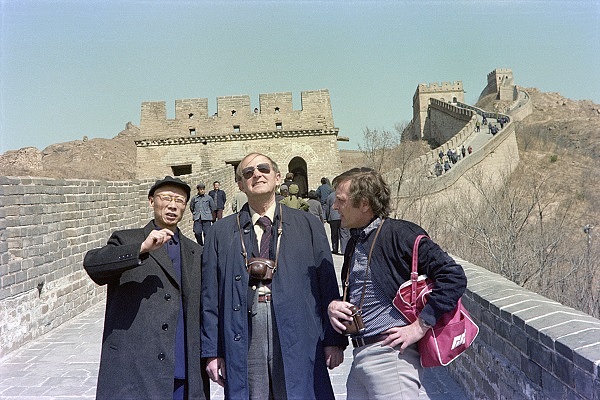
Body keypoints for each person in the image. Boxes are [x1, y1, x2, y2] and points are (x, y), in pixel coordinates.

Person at [201, 153, 346, 400]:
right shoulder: (220, 232)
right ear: (240, 185)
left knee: (299, 391)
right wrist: (213, 351)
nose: (256, 174)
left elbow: (327, 283)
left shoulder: (308, 224)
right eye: (248, 172)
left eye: (263, 169)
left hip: (297, 326)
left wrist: (334, 338)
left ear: (277, 178)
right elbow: (210, 296)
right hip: (243, 327)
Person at [326, 167, 467, 399]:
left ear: (364, 204)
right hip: (361, 356)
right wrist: (336, 307)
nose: (334, 206)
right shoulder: (355, 242)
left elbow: (453, 276)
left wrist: (419, 327)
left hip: (391, 359)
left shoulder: (400, 234)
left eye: (340, 201)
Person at [83, 176, 210, 400]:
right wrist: (141, 248)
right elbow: (93, 265)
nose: (172, 205)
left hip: (181, 365)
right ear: (152, 201)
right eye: (166, 198)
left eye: (179, 200)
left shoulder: (195, 252)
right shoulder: (127, 240)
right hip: (134, 369)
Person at [325, 190, 350, 255]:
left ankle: (335, 249)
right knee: (344, 234)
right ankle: (344, 250)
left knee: (334, 234)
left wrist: (327, 218)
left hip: (333, 217)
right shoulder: (344, 194)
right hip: (342, 216)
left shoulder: (330, 196)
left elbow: (327, 207)